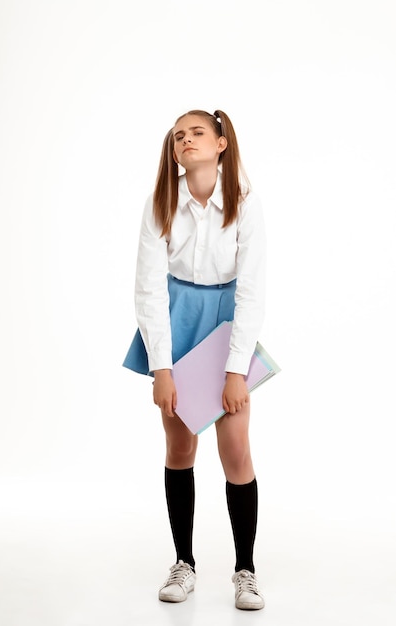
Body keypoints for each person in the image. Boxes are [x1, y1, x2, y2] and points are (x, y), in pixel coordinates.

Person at [123, 109, 266, 610]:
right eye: (178, 135)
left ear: (222, 143)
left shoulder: (244, 204)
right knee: (180, 447)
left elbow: (251, 290)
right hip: (176, 318)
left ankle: (245, 569)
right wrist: (162, 368)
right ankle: (183, 560)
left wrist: (234, 368)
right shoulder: (160, 203)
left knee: (236, 448)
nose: (186, 140)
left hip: (226, 322)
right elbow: (148, 287)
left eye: (197, 132)